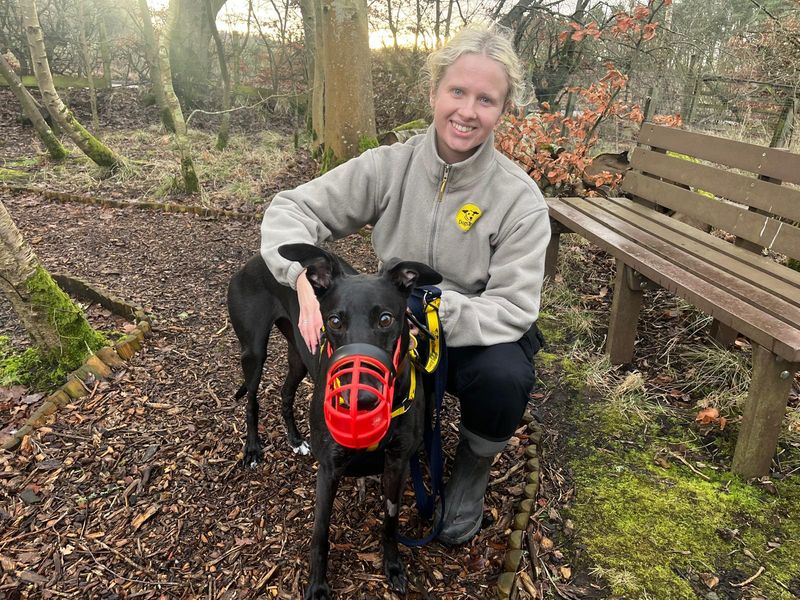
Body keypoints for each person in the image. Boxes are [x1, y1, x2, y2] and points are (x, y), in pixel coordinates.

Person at [260, 23, 550, 546]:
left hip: (467, 328)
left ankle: (470, 475)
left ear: (502, 112)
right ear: (435, 92)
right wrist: (299, 276)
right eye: (457, 91)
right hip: (389, 319)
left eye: (486, 99)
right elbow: (291, 208)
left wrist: (436, 315)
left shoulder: (519, 199)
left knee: (507, 375)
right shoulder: (388, 166)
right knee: (353, 348)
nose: (467, 110)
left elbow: (514, 305)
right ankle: (369, 441)